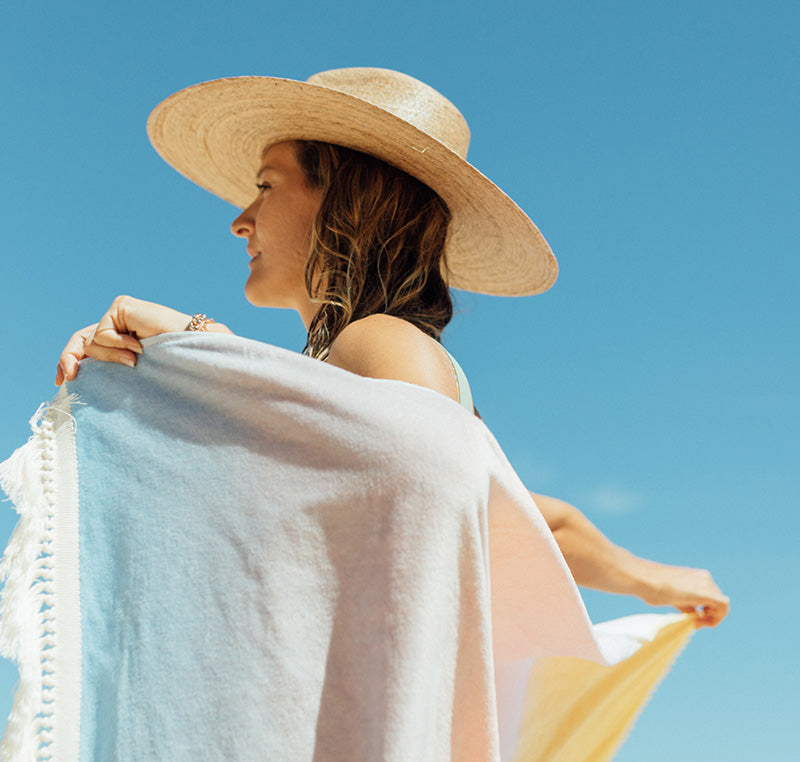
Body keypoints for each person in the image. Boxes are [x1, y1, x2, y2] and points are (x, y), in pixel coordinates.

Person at [54, 68, 729, 629]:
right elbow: (516, 516)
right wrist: (650, 578)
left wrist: (204, 356)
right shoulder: (358, 353)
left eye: (265, 185)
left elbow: (431, 488)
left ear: (346, 202)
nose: (240, 220)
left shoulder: (377, 342)